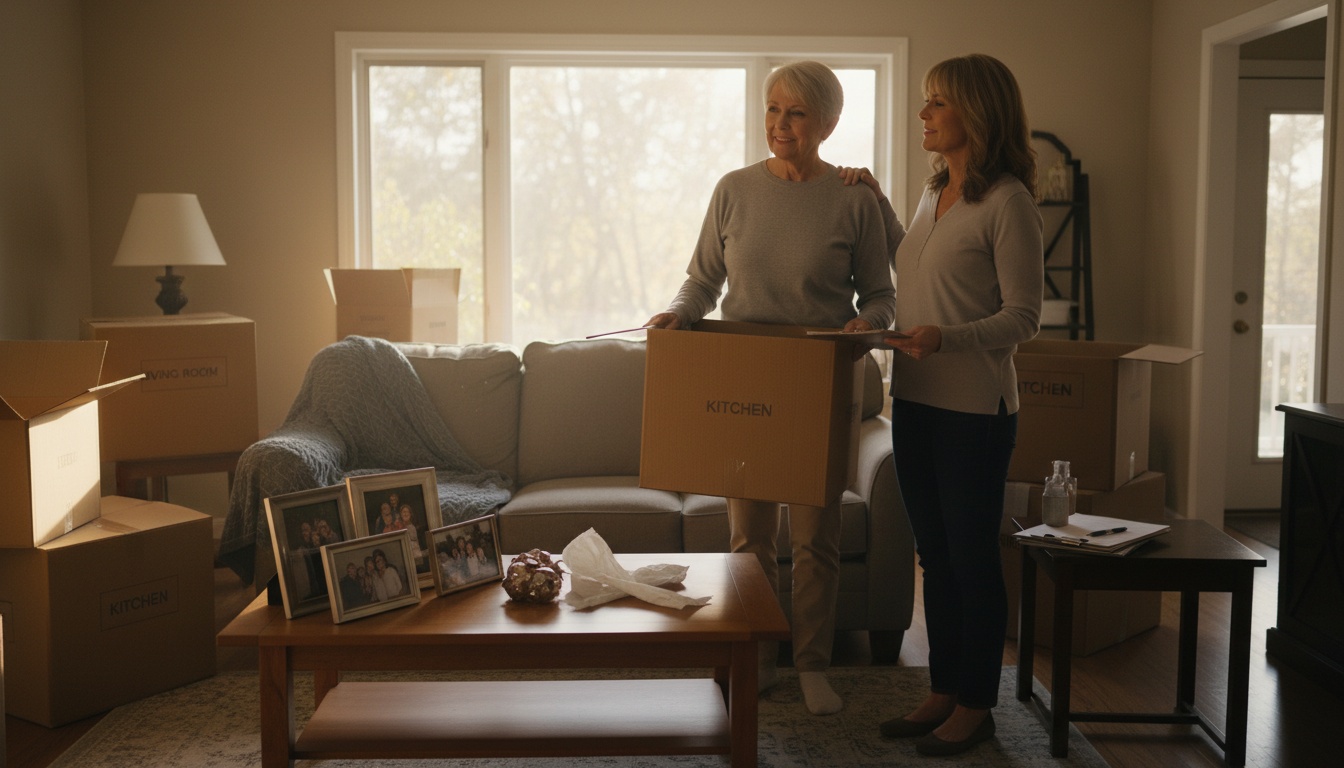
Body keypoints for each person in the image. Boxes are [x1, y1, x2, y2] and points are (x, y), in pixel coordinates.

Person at [645, 60, 896, 716]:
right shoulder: (733, 189)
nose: (779, 125)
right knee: (747, 538)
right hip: (746, 381)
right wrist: (680, 315)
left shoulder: (854, 199)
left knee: (817, 537)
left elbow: (882, 294)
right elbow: (702, 279)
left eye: (796, 113)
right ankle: (760, 661)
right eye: (772, 109)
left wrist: (869, 323)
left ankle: (812, 663)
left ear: (828, 123)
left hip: (820, 383)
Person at [841, 53, 1042, 756]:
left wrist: (945, 338)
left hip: (974, 413)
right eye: (925, 103)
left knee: (970, 560)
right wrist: (877, 199)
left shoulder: (1008, 200)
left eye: (937, 104)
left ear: (975, 113)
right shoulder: (936, 193)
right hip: (916, 402)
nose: (924, 115)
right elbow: (917, 263)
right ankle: (944, 689)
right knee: (934, 557)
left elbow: (1024, 316)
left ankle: (977, 703)